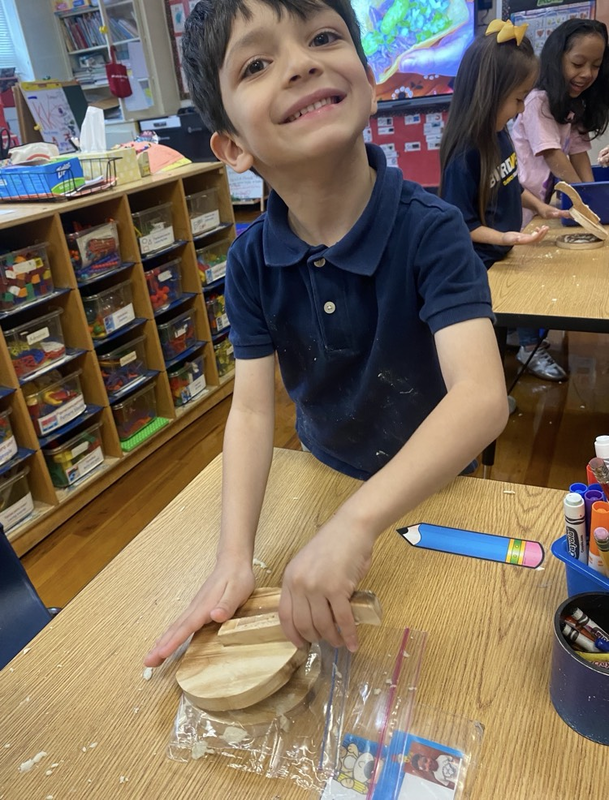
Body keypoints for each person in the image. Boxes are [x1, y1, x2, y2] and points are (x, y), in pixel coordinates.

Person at [144, 0, 508, 669]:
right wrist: (233, 558)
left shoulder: (432, 230)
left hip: (434, 487)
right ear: (232, 148)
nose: (301, 62)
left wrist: (357, 522)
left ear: (370, 84)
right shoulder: (250, 262)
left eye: (322, 37)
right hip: (323, 475)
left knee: (453, 657)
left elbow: (482, 399)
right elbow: (253, 411)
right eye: (257, 62)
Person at [440, 21, 569, 383]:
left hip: (505, 255)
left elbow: (509, 184)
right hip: (481, 267)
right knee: (486, 349)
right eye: (516, 99)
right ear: (488, 94)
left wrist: (540, 206)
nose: (520, 109)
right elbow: (461, 227)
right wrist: (507, 238)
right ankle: (486, 400)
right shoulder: (464, 155)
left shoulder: (501, 135)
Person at [512, 18, 609, 226]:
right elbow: (553, 155)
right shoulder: (538, 101)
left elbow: (578, 153)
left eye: (596, 66)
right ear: (557, 60)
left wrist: (593, 201)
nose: (587, 74)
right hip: (522, 207)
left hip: (543, 207)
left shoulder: (574, 104)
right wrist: (582, 201)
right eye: (577, 64)